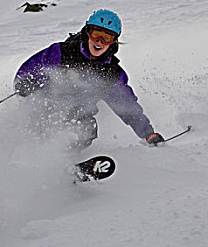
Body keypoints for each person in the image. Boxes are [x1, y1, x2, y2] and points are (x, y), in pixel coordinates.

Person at [13, 9, 164, 149]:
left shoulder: (110, 73)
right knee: (44, 124)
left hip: (79, 114)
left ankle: (67, 162)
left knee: (87, 129)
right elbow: (29, 69)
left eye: (106, 38)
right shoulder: (62, 52)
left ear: (113, 41)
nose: (99, 41)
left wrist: (148, 133)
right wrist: (25, 82)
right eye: (96, 34)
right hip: (47, 108)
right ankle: (33, 156)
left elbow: (127, 107)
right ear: (87, 33)